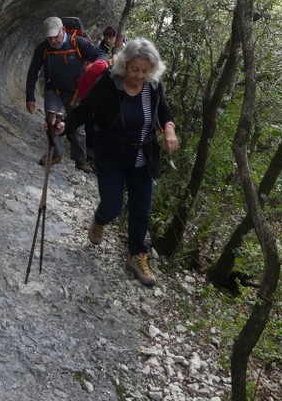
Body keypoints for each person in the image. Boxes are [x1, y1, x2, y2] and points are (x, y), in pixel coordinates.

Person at [55, 37, 178, 286]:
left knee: (141, 211)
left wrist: (169, 129)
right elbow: (84, 109)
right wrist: (63, 126)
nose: (140, 75)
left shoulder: (153, 85)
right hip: (111, 153)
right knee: (112, 206)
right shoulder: (110, 84)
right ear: (125, 64)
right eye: (135, 70)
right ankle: (100, 219)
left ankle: (137, 256)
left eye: (145, 71)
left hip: (143, 155)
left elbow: (164, 111)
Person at [25, 17, 108, 174]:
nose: (53, 40)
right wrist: (30, 97)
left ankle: (80, 159)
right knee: (51, 121)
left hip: (76, 91)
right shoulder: (43, 48)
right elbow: (33, 71)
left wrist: (99, 64)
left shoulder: (78, 43)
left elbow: (100, 54)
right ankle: (56, 154)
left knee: (77, 126)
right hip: (53, 89)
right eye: (49, 37)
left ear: (62, 29)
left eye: (55, 36)